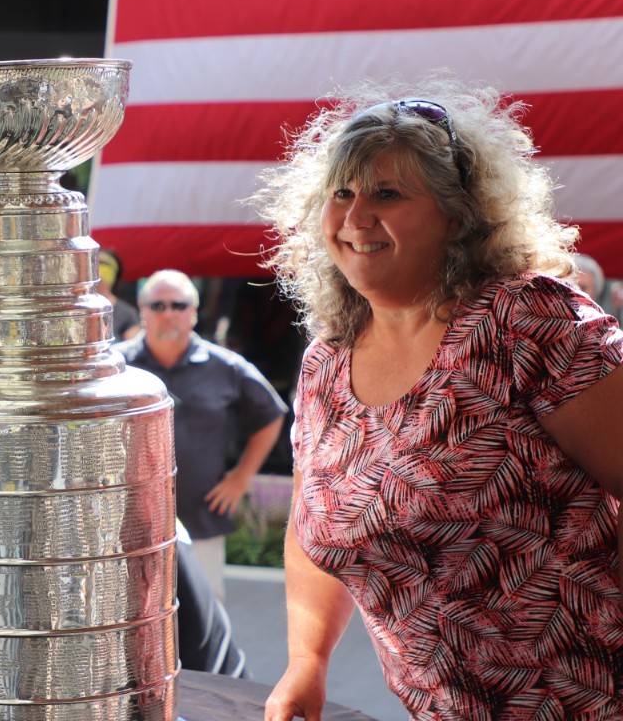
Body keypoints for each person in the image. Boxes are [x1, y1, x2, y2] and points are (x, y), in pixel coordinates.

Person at [252, 79, 623, 721]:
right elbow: (313, 525)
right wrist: (306, 662)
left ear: (458, 213)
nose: (357, 217)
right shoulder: (326, 364)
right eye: (342, 193)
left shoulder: (523, 319)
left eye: (388, 194)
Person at [112, 269, 286, 600]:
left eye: (178, 305)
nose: (168, 314)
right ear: (142, 310)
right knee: (133, 610)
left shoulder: (225, 366)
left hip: (202, 517)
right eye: (157, 305)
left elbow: (271, 414)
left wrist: (242, 476)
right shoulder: (118, 366)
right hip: (128, 522)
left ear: (194, 311)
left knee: (206, 613)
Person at [96, 249, 140, 340]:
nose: (99, 270)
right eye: (95, 263)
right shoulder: (76, 309)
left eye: (104, 265)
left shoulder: (127, 313)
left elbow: (132, 345)